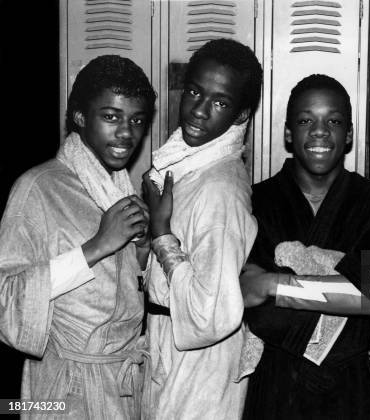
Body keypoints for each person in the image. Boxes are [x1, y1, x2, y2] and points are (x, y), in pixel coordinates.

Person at [0, 55, 156, 418]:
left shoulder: (118, 188)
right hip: (59, 390)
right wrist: (97, 246)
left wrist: (144, 248)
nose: (126, 133)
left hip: (121, 385)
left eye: (136, 120)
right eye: (111, 117)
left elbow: (124, 289)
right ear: (80, 117)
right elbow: (5, 298)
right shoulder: (38, 188)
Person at [239, 74, 370, 420]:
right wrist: (343, 291)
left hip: (347, 389)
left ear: (349, 134)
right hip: (275, 386)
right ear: (288, 133)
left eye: (334, 121)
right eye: (305, 120)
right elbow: (259, 313)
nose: (320, 131)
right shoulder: (257, 201)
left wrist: (272, 283)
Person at [141, 38, 262, 419]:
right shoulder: (189, 165)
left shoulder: (219, 189)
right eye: (194, 91)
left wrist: (161, 234)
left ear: (241, 115)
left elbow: (211, 313)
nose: (199, 110)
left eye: (220, 102)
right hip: (174, 348)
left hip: (198, 364)